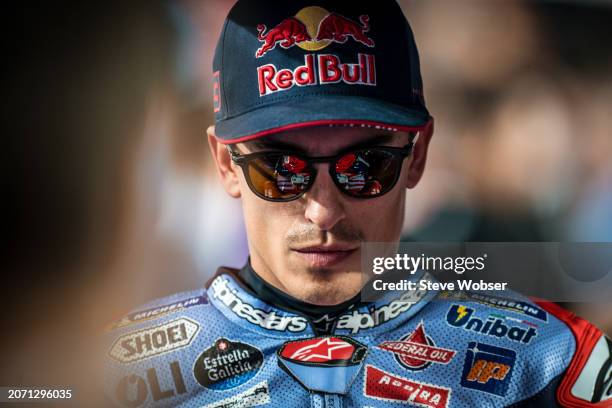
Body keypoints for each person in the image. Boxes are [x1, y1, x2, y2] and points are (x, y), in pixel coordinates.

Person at [104, 1, 611, 407]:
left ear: (418, 157)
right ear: (224, 164)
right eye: (280, 170)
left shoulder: (550, 363)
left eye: (364, 166)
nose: (322, 211)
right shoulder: (112, 371)